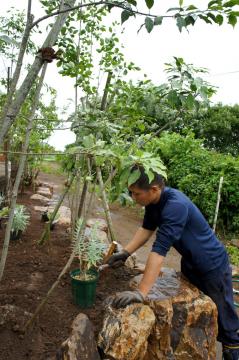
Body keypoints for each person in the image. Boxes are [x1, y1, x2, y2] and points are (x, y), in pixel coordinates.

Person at [106, 166, 239, 360]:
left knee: (227, 321)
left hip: (212, 266)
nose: (133, 198)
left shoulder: (175, 205)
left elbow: (159, 250)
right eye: (131, 193)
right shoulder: (153, 203)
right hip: (191, 264)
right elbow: (146, 229)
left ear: (154, 189)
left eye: (136, 193)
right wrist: (125, 253)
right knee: (196, 310)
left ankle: (232, 352)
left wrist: (141, 292)